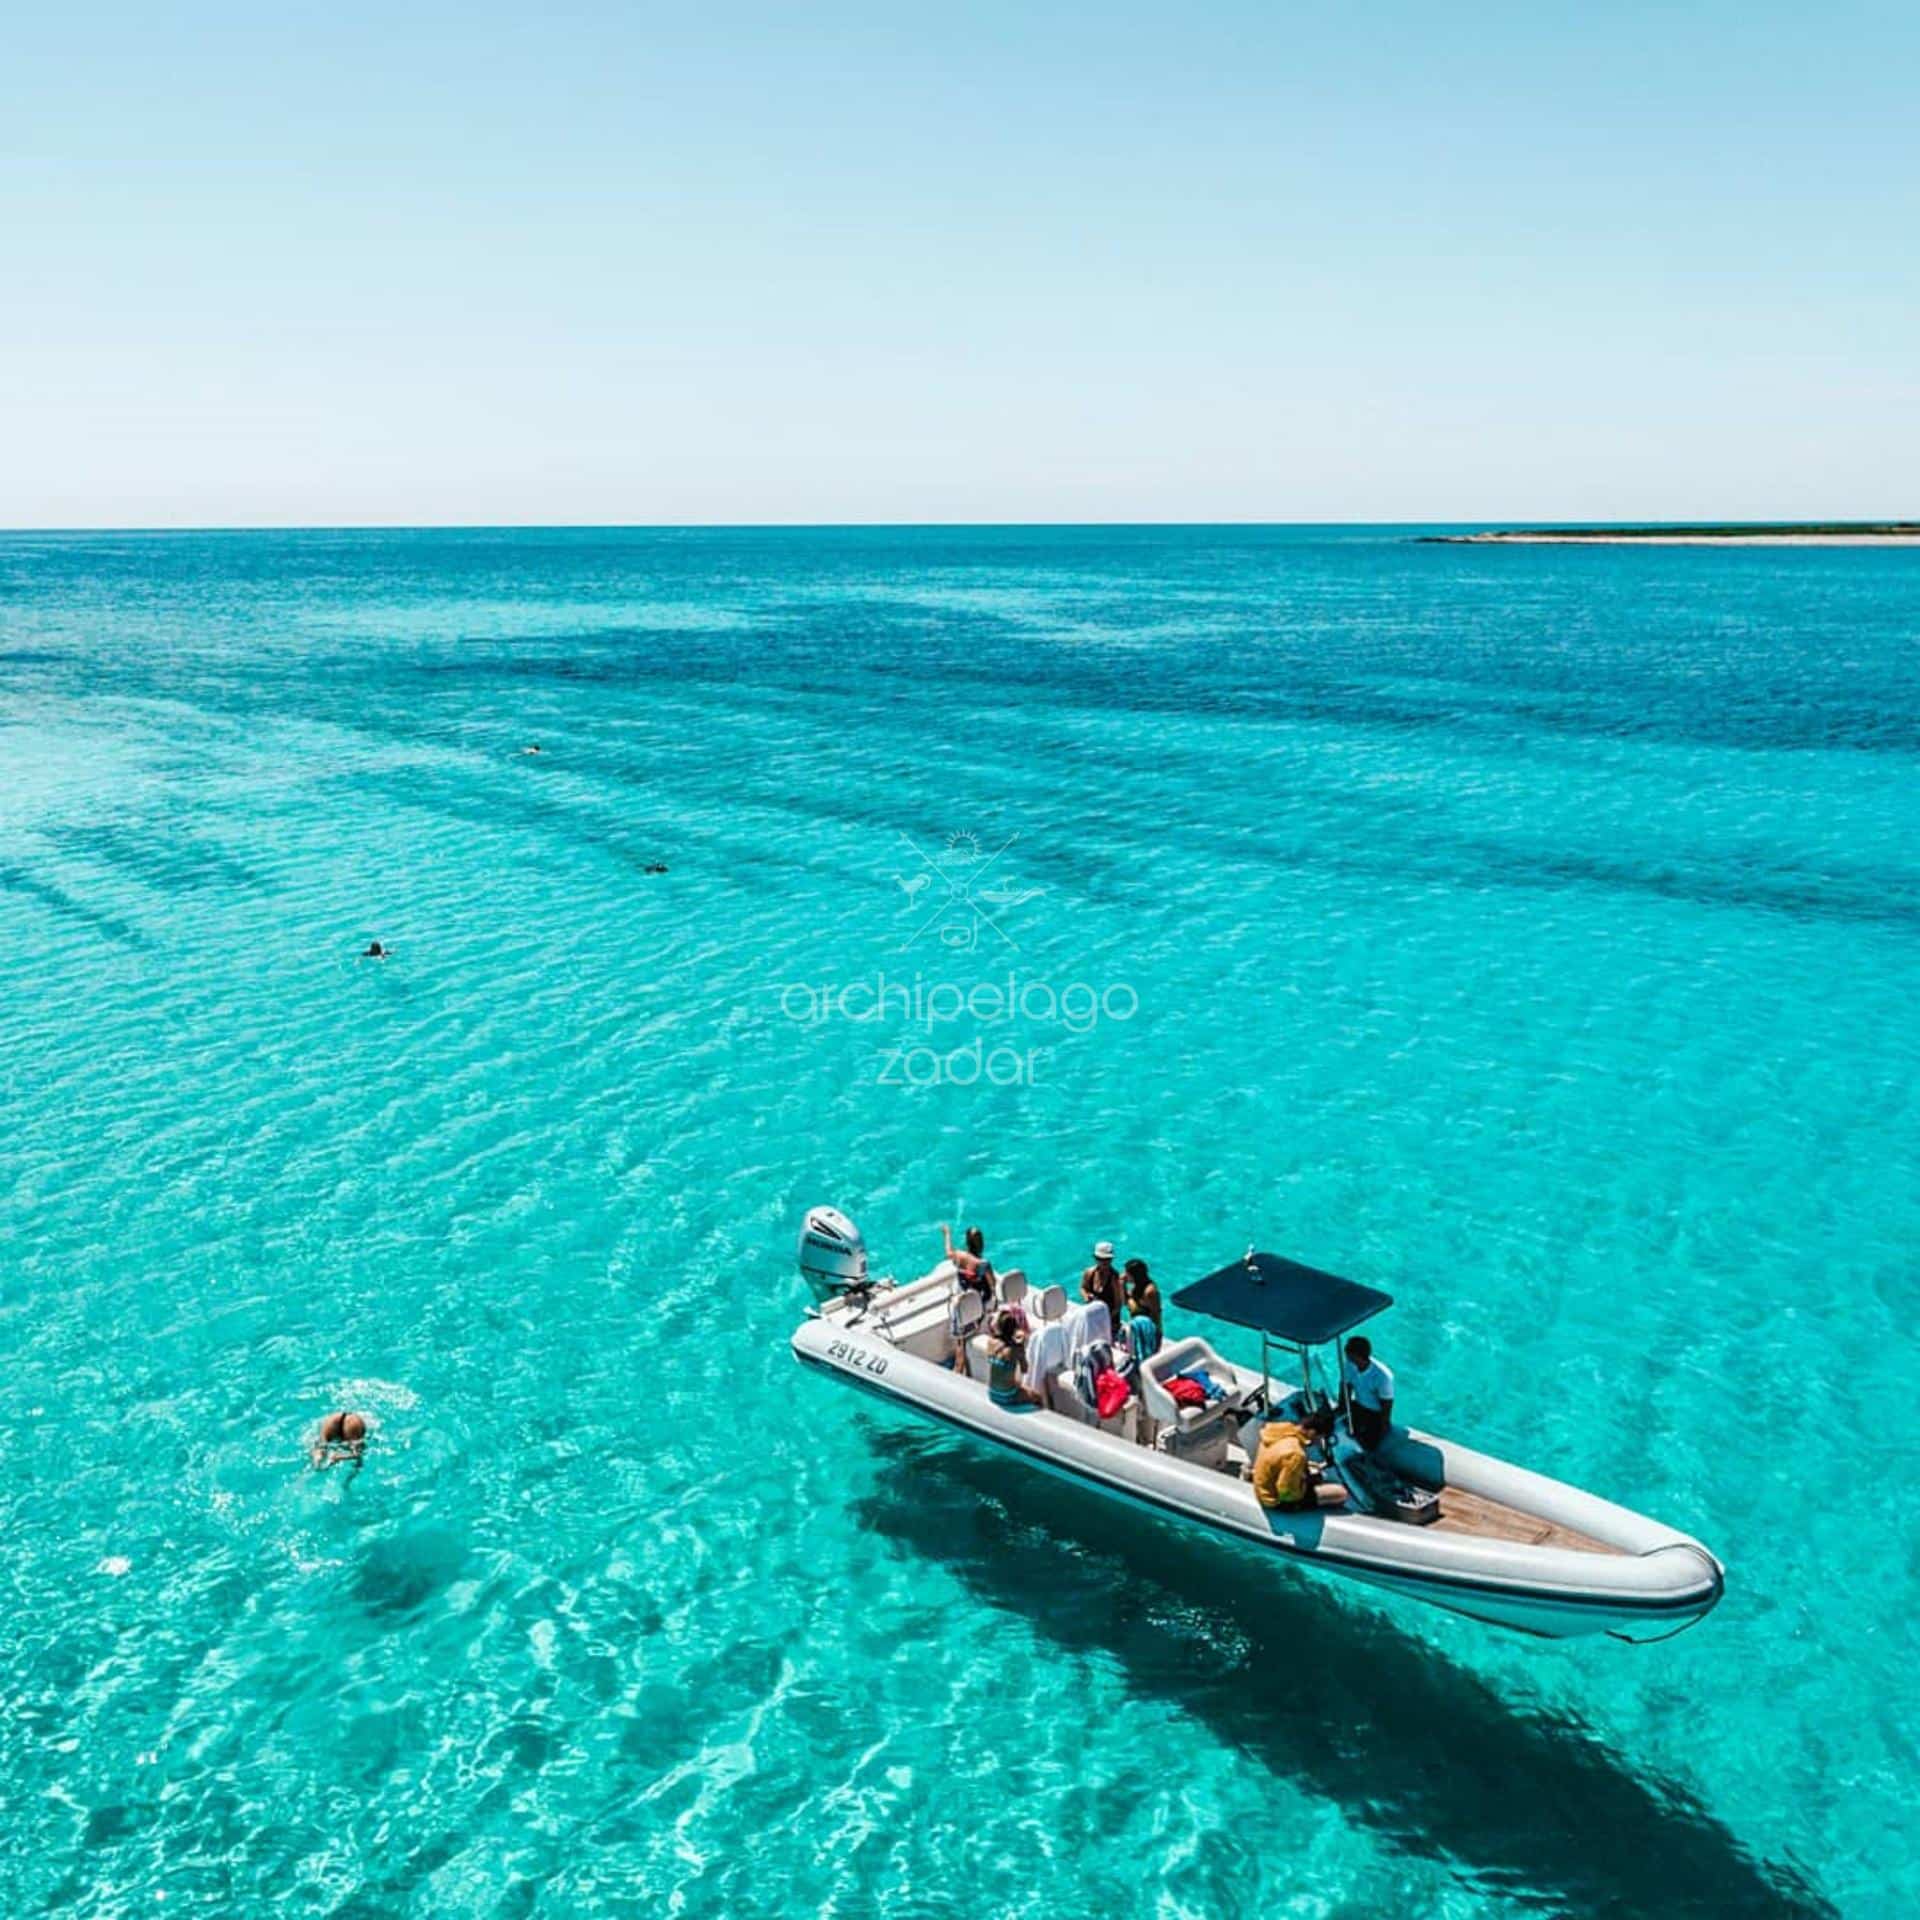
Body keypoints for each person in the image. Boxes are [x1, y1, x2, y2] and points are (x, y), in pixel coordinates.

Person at [1252, 1406, 1348, 1512]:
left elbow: (1280, 1461)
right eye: (1320, 1437)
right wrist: (1306, 1483)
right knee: (1340, 1493)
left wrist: (1303, 1470)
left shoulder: (1279, 1430)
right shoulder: (1296, 1454)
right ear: (1312, 1432)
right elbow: (1286, 1493)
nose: (1319, 1441)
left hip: (1263, 1486)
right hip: (1274, 1500)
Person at [941, 1224, 996, 1372]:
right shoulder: (983, 1264)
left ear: (967, 1242)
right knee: (967, 1341)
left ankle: (960, 1370)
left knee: (961, 1342)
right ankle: (960, 1370)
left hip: (961, 1305)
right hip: (976, 1307)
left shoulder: (959, 1256)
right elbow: (992, 1284)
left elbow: (948, 1252)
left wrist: (947, 1234)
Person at [1341, 1335, 1396, 1451]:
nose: (1346, 1356)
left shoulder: (1383, 1376)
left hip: (1374, 1413)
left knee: (1368, 1444)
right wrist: (1343, 1408)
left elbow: (1386, 1404)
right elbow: (1345, 1386)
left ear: (1356, 1356)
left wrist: (1383, 1427)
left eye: (1349, 1353)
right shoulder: (1350, 1364)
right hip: (1358, 1406)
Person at [986, 1309, 1027, 1410]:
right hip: (1007, 1396)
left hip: (992, 1392)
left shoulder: (991, 1343)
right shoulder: (1015, 1349)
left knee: (1015, 1382)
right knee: (1036, 1396)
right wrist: (1021, 1347)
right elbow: (1024, 1369)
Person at [1122, 1258, 1162, 1355]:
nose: (1124, 1275)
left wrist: (1152, 1337)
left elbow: (1155, 1315)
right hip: (1137, 1329)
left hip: (1148, 1332)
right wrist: (1122, 1285)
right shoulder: (1136, 1287)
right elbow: (1125, 1302)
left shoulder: (1149, 1292)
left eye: (1127, 1273)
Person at [1081, 1241, 1123, 1330]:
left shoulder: (1114, 1277)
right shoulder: (1089, 1273)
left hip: (1110, 1317)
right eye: (1101, 1259)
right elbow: (1083, 1288)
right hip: (1094, 1314)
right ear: (1096, 1258)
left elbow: (1118, 1304)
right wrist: (1086, 1297)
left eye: (1108, 1259)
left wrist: (1105, 1319)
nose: (1105, 1262)